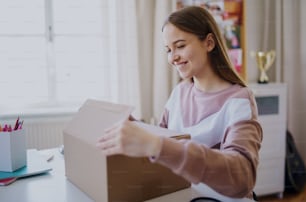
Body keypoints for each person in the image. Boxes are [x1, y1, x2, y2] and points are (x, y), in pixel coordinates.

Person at [96, 6, 262, 200]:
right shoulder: (179, 92)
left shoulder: (240, 101)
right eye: (168, 50)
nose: (172, 58)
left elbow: (242, 176)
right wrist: (137, 129)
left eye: (180, 46)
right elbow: (162, 147)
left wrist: (156, 145)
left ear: (209, 43)